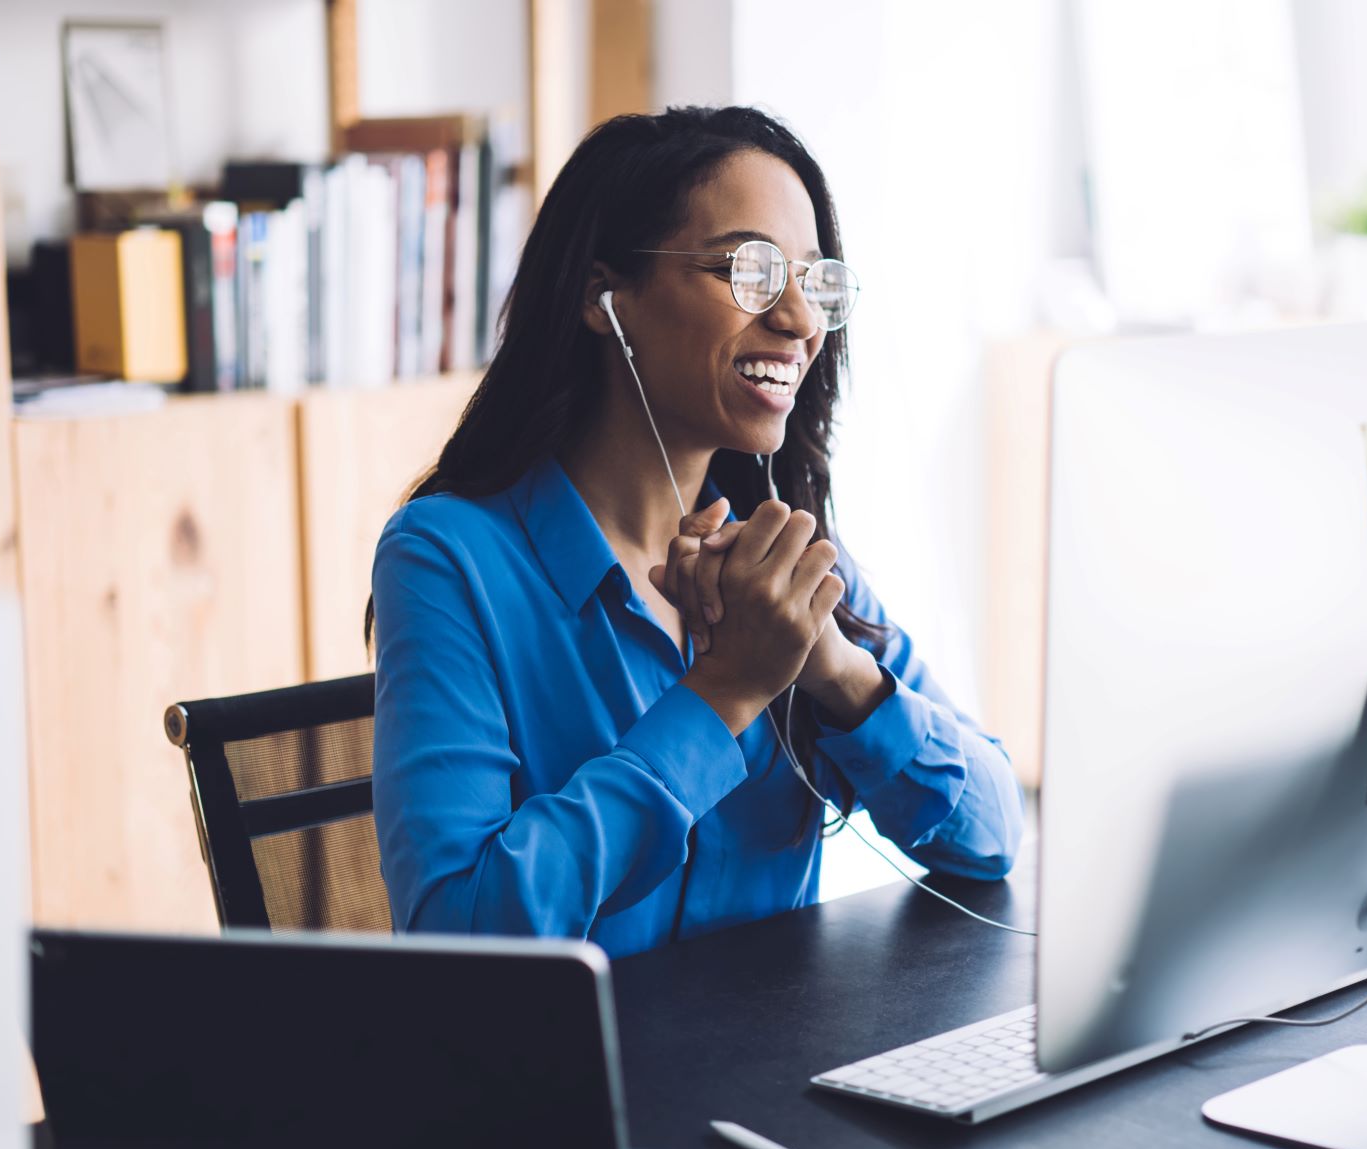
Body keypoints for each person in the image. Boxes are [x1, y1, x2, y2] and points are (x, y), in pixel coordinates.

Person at [370, 105, 1023, 958]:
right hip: (572, 1083)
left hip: (774, 1076)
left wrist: (834, 670)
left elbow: (992, 830)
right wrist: (722, 696)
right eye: (748, 271)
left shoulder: (785, 550)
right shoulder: (448, 557)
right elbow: (461, 932)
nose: (798, 319)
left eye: (812, 279)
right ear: (604, 299)